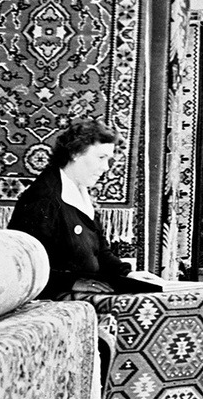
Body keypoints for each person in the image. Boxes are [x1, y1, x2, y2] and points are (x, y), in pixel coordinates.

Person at [8, 118, 131, 299]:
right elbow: (24, 264)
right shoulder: (44, 199)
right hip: (51, 298)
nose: (106, 168)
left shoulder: (80, 192)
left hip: (84, 291)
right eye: (101, 158)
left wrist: (127, 273)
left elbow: (101, 252)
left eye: (108, 159)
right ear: (75, 153)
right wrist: (71, 283)